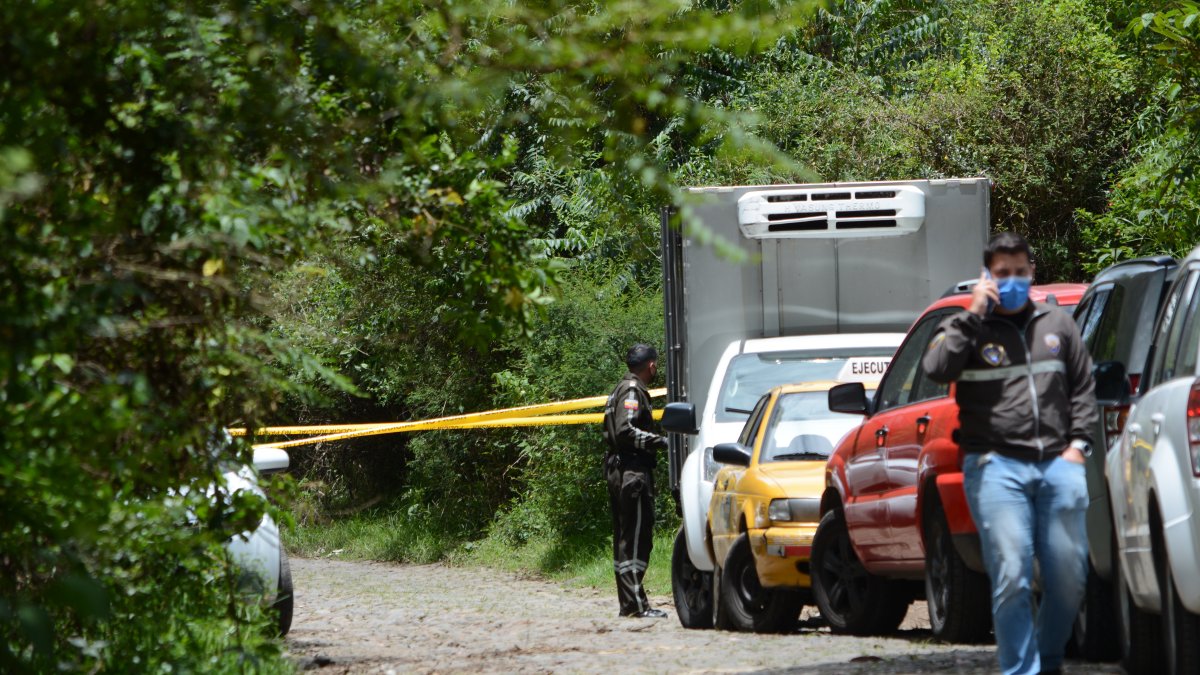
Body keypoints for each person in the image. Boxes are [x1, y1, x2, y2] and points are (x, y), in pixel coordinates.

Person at [922, 232, 1097, 675]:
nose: (1013, 280)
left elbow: (1082, 387)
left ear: (1032, 271)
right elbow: (937, 368)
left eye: (1020, 272)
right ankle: (1022, 669)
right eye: (1003, 274)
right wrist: (974, 312)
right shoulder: (968, 328)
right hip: (995, 466)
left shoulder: (1058, 324)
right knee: (1013, 573)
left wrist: (1079, 447)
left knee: (1069, 578)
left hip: (1059, 464)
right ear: (988, 276)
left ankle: (1049, 657)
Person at [602, 343, 669, 618]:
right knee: (636, 540)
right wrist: (661, 441)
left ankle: (630, 604)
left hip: (623, 471)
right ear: (651, 365)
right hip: (632, 473)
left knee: (627, 539)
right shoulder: (631, 390)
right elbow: (625, 430)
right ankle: (635, 606)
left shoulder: (622, 387)